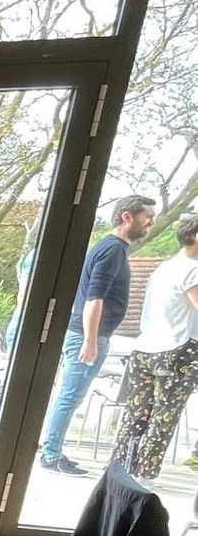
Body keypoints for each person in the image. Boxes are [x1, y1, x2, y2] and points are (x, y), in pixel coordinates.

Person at [39, 194, 157, 475]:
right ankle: (51, 455)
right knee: (70, 397)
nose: (151, 222)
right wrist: (90, 340)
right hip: (87, 336)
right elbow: (95, 298)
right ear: (127, 217)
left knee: (68, 396)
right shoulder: (112, 250)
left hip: (88, 334)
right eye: (147, 216)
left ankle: (50, 449)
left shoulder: (111, 247)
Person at [112, 217, 198, 479]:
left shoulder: (165, 268)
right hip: (177, 351)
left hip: (145, 348)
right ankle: (144, 478)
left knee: (135, 414)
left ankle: (118, 472)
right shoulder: (193, 270)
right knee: (163, 418)